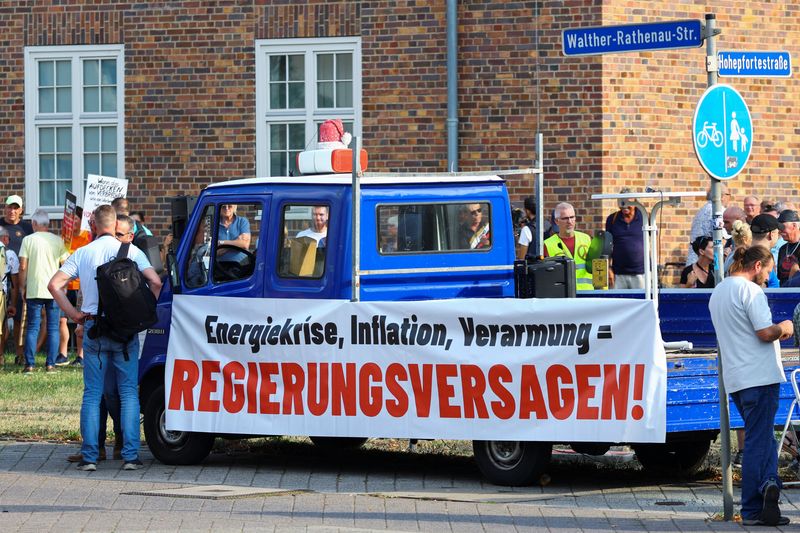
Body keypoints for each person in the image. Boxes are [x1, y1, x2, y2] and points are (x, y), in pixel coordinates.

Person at [48, 205, 162, 471]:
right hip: (125, 332)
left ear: (94, 224)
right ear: (115, 224)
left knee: (92, 394)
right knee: (128, 394)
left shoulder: (83, 253)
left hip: (93, 329)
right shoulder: (131, 251)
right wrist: (144, 313)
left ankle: (90, 456)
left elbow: (54, 285)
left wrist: (74, 314)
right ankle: (130, 456)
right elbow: (155, 282)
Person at [709, 245, 794, 526]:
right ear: (757, 266)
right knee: (759, 441)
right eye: (767, 271)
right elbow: (764, 332)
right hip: (760, 376)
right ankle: (753, 508)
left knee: (763, 437)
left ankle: (769, 484)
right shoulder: (751, 291)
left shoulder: (719, 291)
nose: (768, 278)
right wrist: (785, 327)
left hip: (736, 378)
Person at [18, 209, 69, 372]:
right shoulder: (58, 241)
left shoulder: (28, 240)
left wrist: (21, 286)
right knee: (53, 327)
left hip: (34, 288)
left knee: (33, 326)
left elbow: (23, 266)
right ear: (48, 224)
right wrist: (64, 286)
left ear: (34, 224)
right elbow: (66, 265)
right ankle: (51, 364)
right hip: (54, 290)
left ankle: (30, 364)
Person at [0, 195, 33, 364]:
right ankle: (1, 355)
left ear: (21, 210)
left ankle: (20, 354)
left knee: (20, 317)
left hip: (21, 278)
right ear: (5, 208)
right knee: (2, 319)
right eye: (9, 207)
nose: (12, 211)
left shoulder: (27, 228)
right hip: (2, 279)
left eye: (15, 208)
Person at [543, 202, 593, 290]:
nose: (569, 221)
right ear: (557, 221)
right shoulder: (548, 244)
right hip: (563, 296)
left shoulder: (586, 239)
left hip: (587, 294)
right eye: (565, 218)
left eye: (572, 217)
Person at [604, 189, 644, 289]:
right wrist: (608, 268)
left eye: (628, 202)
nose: (624, 205)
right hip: (618, 273)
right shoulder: (612, 219)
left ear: (635, 202)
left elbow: (654, 240)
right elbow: (607, 245)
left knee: (641, 302)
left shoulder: (645, 217)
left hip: (641, 273)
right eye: (622, 202)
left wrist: (653, 267)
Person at [687, 185, 731, 266]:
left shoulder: (702, 210)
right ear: (722, 196)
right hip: (707, 265)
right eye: (728, 195)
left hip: (694, 262)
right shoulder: (718, 211)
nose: (729, 198)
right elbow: (725, 237)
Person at [0, 227, 19, 362]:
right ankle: (0, 355)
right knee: (2, 326)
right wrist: (13, 303)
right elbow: (14, 283)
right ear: (5, 238)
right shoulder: (10, 254)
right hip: (2, 293)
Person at [516, 196, 553, 260]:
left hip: (533, 267)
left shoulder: (526, 229)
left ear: (527, 211)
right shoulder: (548, 224)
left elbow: (521, 258)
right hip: (549, 265)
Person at [776, 210, 800, 285]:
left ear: (794, 226)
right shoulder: (782, 249)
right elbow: (780, 277)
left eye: (782, 227)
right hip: (783, 291)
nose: (780, 231)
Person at [722, 207, 747, 272]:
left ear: (739, 221)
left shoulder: (753, 242)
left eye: (727, 222)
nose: (724, 226)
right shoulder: (730, 241)